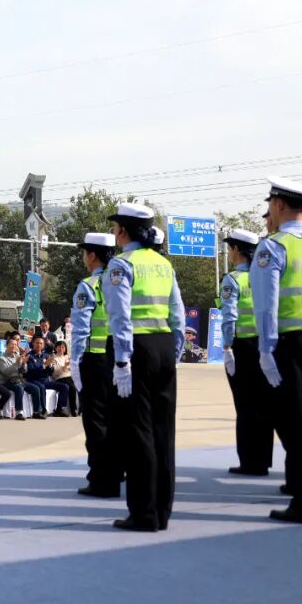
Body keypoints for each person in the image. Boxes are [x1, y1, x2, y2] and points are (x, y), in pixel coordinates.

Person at [250, 178, 302, 525]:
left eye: (270, 204)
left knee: (296, 425)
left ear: (279, 205)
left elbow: (266, 307)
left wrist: (265, 350)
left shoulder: (273, 247)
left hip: (288, 344)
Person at [104, 201, 185, 532]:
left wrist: (122, 359)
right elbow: (178, 313)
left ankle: (144, 513)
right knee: (164, 431)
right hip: (163, 345)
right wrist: (174, 351)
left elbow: (121, 316)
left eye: (115, 227)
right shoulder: (163, 264)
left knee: (138, 431)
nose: (114, 232)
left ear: (123, 230)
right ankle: (162, 510)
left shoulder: (122, 265)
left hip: (137, 348)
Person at [69, 231, 122, 497]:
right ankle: (118, 470)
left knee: (96, 421)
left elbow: (80, 329)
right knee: (117, 419)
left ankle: (101, 478)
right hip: (119, 358)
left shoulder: (89, 286)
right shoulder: (121, 282)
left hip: (95, 360)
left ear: (92, 256)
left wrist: (75, 362)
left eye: (84, 253)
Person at [220, 228, 273, 477]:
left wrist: (226, 346)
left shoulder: (232, 280)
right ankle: (263, 460)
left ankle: (250, 462)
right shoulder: (264, 277)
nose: (229, 253)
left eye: (230, 248)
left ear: (237, 250)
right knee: (264, 404)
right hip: (265, 345)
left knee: (245, 405)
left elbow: (229, 317)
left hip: (242, 347)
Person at [0, 338, 41, 421]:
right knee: (19, 388)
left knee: (35, 388)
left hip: (19, 380)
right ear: (6, 345)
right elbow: (6, 372)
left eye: (15, 345)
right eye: (12, 344)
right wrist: (17, 363)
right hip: (7, 382)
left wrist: (24, 363)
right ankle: (19, 412)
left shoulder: (17, 356)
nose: (14, 346)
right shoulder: (1, 358)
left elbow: (24, 371)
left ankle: (36, 412)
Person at [24, 336, 71, 417]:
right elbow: (31, 371)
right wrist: (44, 365)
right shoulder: (29, 356)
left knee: (65, 387)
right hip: (33, 380)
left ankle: (59, 409)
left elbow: (50, 372)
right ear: (33, 344)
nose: (39, 345)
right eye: (37, 343)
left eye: (41, 343)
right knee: (41, 387)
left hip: (45, 380)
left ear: (43, 345)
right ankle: (43, 410)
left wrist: (50, 366)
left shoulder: (46, 355)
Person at [50, 341, 77, 416]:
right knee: (72, 387)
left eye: (63, 347)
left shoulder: (67, 357)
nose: (61, 349)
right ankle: (73, 409)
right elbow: (55, 373)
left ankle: (80, 408)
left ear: (65, 349)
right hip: (60, 378)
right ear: (55, 348)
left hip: (70, 377)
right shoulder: (54, 358)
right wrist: (64, 367)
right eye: (59, 347)